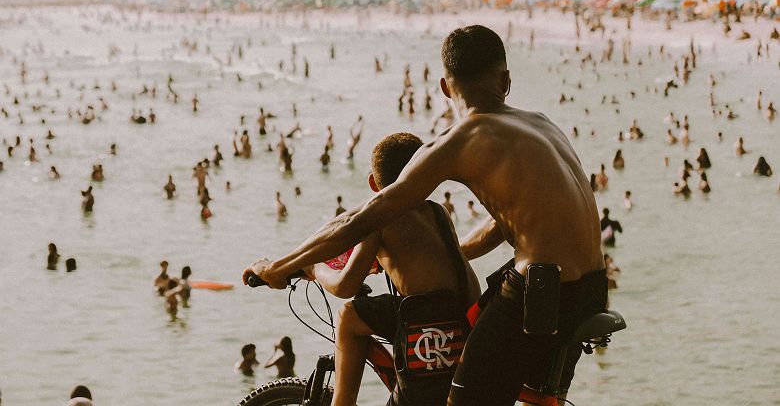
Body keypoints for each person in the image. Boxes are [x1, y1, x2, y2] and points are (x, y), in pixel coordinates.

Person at [244, 25, 607, 406]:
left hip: (541, 291)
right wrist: (447, 253)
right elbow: (507, 223)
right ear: (506, 81)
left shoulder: (461, 139)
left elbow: (363, 217)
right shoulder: (543, 124)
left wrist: (278, 267)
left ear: (445, 88)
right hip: (591, 289)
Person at [307, 132, 480, 406]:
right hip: (462, 317)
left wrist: (315, 268)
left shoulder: (380, 216)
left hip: (425, 323)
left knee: (348, 316)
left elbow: (345, 286)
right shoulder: (439, 212)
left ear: (373, 184)